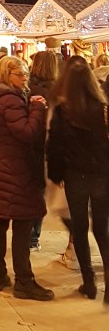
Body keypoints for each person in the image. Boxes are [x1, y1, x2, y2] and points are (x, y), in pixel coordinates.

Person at [0, 55, 53, 301]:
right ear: (6, 75)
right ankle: (24, 281)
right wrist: (37, 108)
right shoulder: (10, 100)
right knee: (23, 222)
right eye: (19, 74)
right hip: (17, 169)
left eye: (25, 74)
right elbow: (27, 133)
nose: (25, 79)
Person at [46, 60, 109, 302]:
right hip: (101, 174)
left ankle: (89, 282)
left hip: (75, 176)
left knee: (80, 230)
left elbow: (55, 146)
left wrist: (56, 175)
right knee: (102, 230)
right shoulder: (104, 108)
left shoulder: (63, 110)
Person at [27, 49, 60, 250]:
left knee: (30, 193)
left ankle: (28, 236)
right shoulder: (59, 91)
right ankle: (33, 237)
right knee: (43, 195)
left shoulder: (26, 89)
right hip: (50, 148)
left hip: (29, 146)